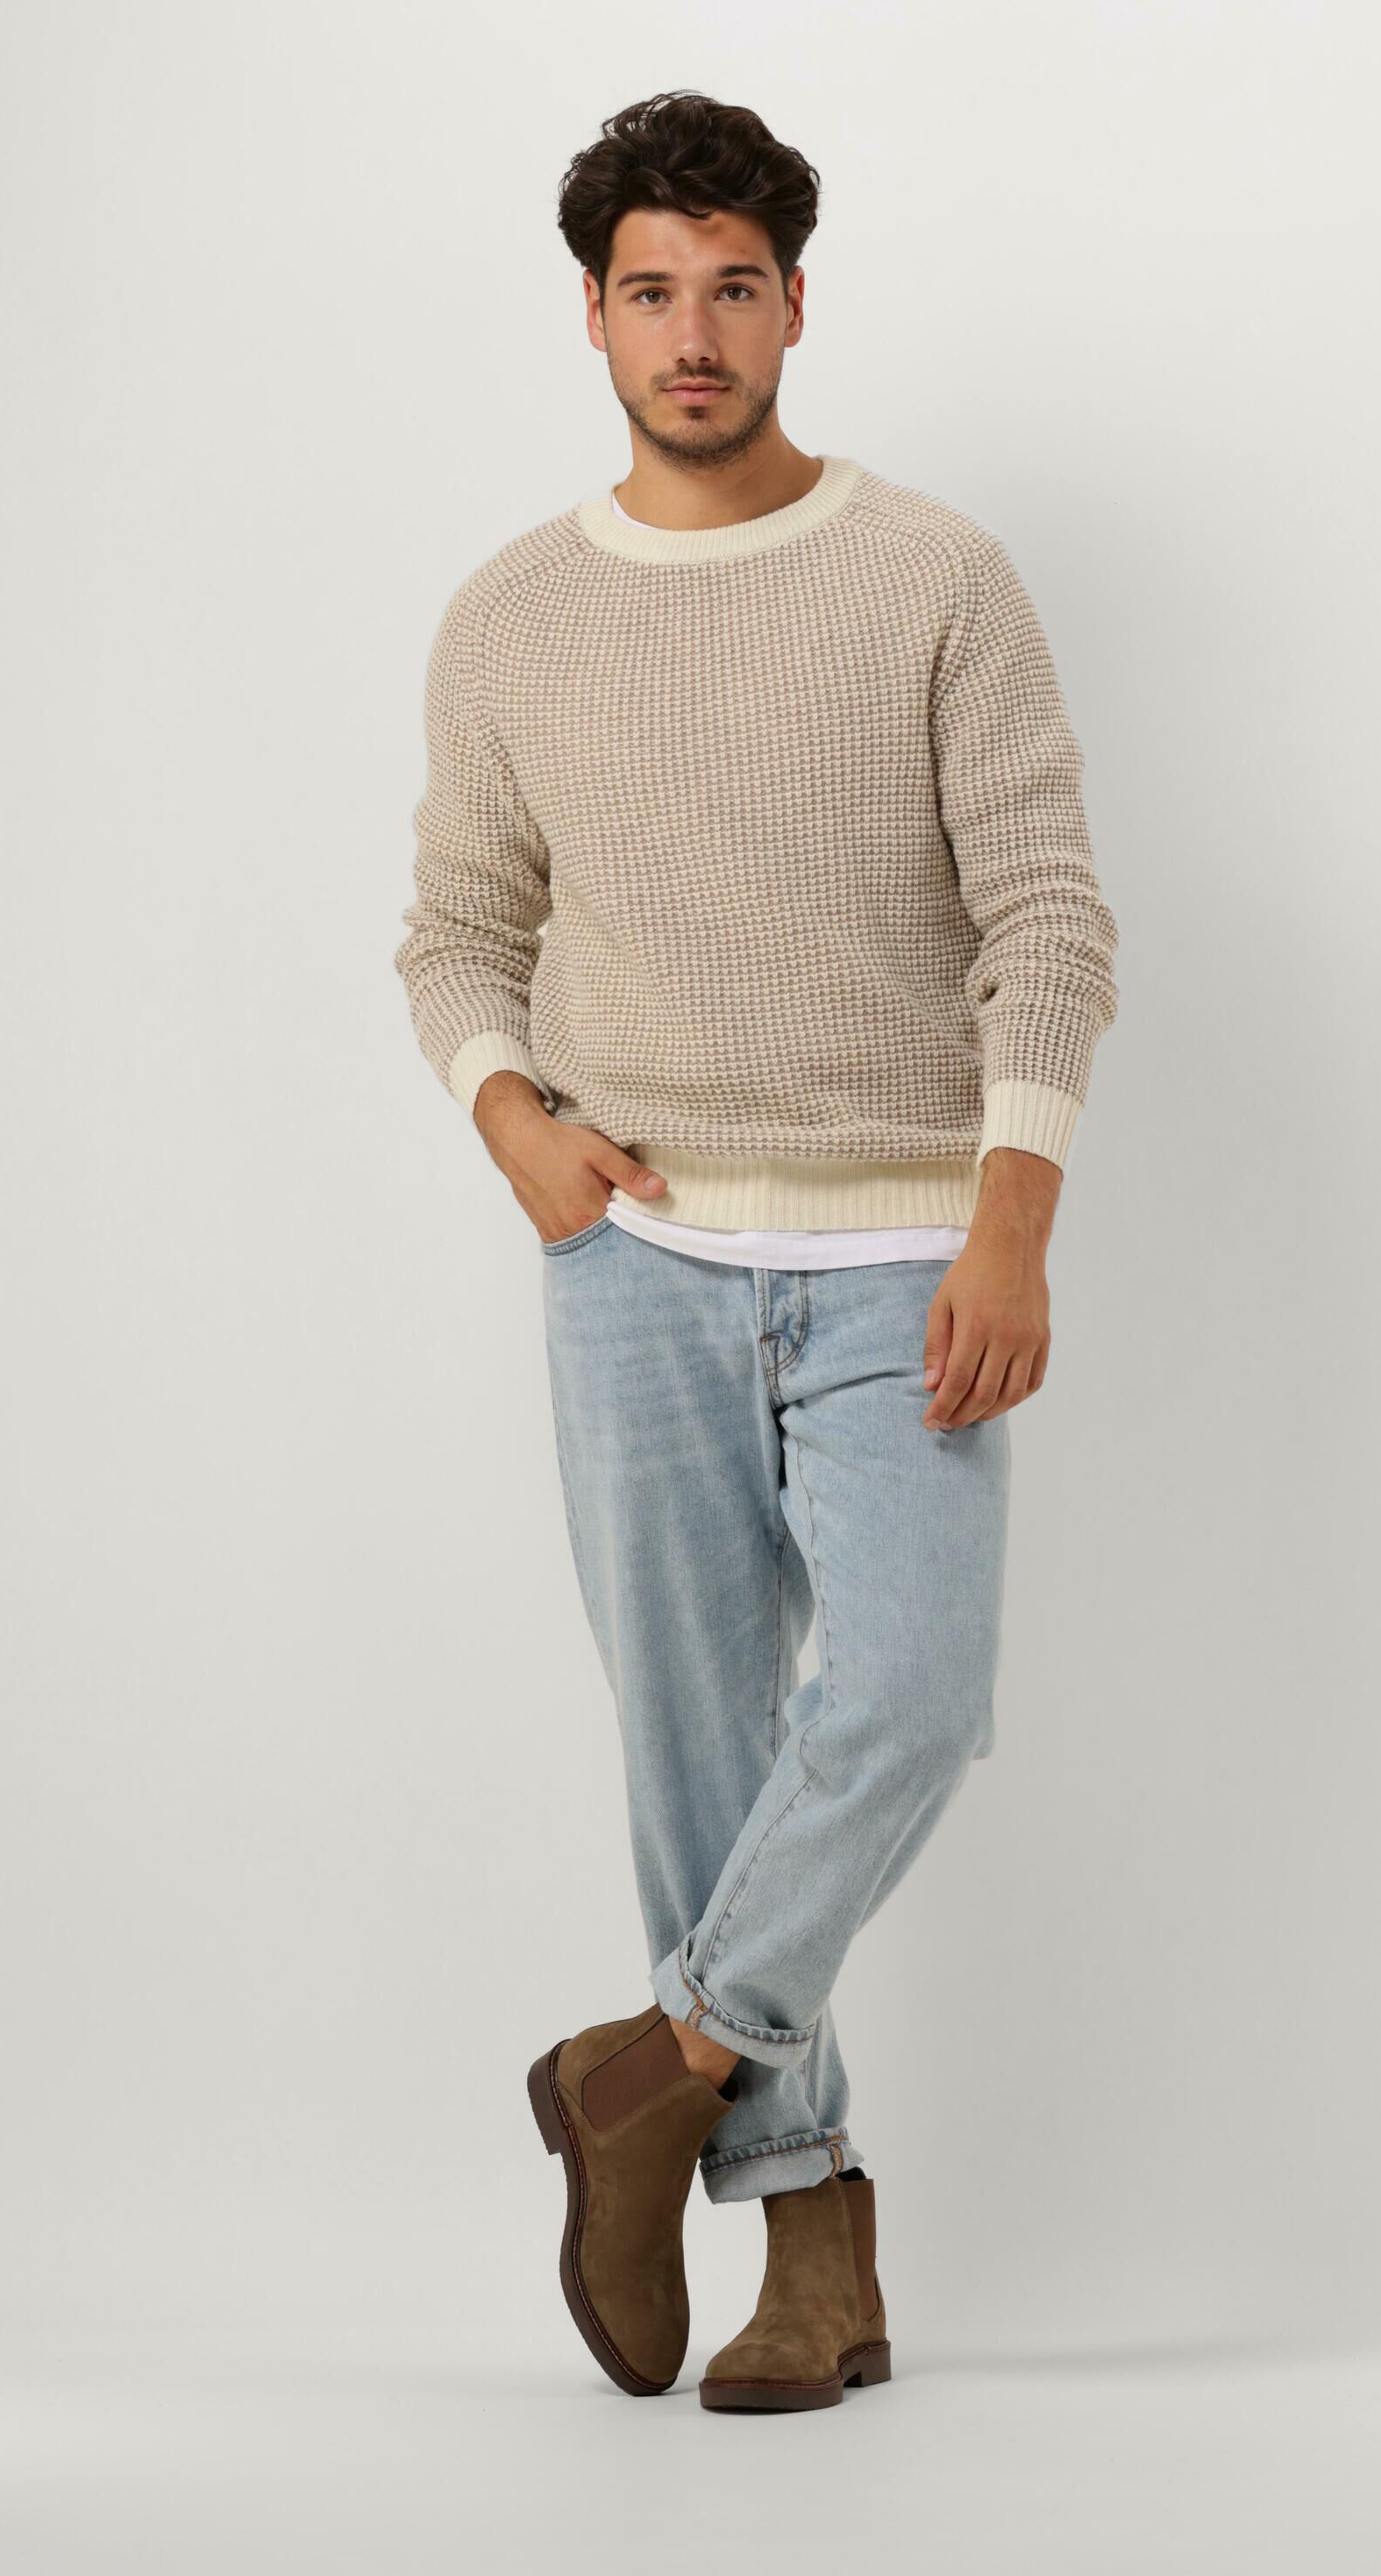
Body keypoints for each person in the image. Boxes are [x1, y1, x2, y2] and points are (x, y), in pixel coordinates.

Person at [394, 89, 1121, 2414]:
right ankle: (813, 2243)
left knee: (907, 1695)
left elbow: (1044, 915)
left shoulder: (932, 576)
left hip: (907, 1251)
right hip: (634, 1262)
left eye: (732, 287)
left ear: (795, 303)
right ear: (594, 315)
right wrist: (510, 1122)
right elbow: (456, 927)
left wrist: (1011, 1217)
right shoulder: (511, 615)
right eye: (650, 291)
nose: (691, 334)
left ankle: (653, 2070)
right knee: (700, 1754)